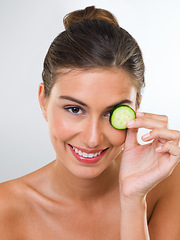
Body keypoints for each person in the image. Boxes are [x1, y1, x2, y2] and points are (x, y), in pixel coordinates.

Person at [0, 5, 180, 240]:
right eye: (75, 109)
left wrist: (133, 201)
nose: (93, 138)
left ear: (136, 109)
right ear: (43, 101)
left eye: (112, 112)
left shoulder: (168, 183)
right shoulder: (5, 209)